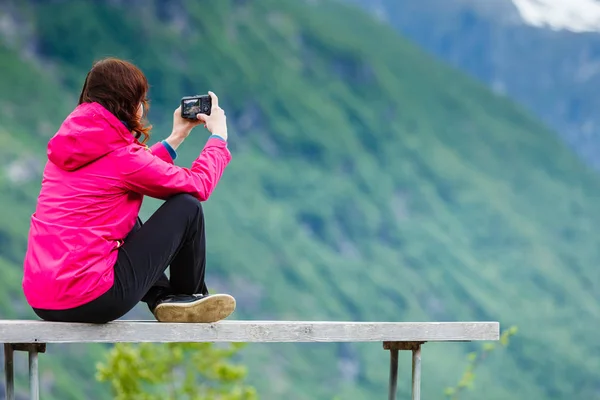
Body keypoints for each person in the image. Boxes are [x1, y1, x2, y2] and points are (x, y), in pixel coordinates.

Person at [21, 57, 236, 324]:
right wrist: (219, 137)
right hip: (91, 298)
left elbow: (128, 170)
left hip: (41, 298)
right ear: (128, 103)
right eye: (141, 100)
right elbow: (198, 185)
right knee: (186, 206)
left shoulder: (67, 148)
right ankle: (185, 298)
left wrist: (177, 137)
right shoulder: (122, 157)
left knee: (125, 213)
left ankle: (162, 298)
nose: (142, 108)